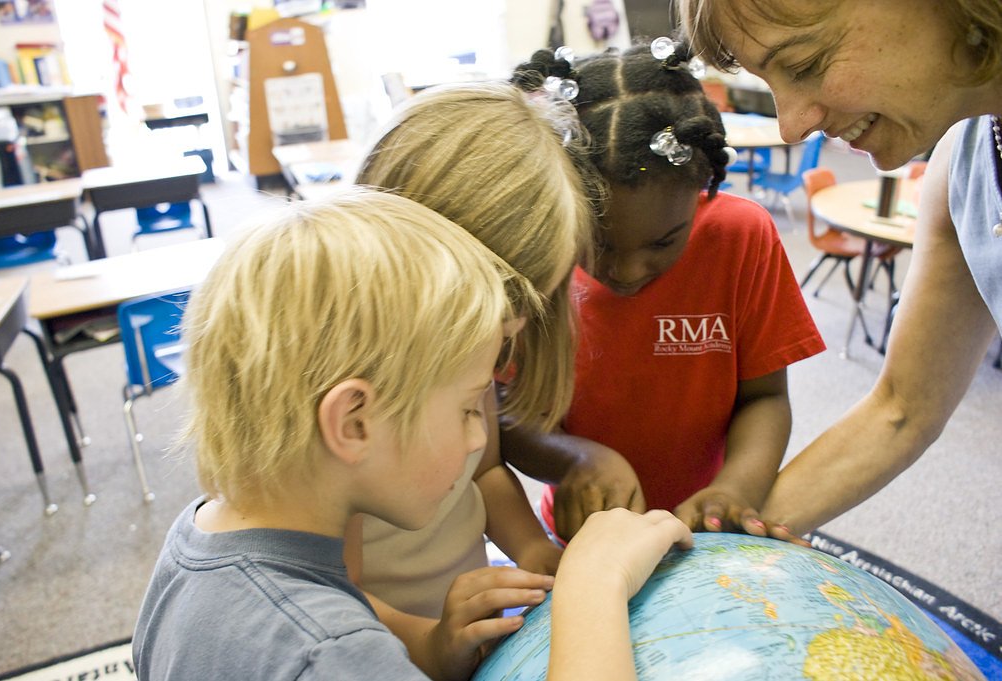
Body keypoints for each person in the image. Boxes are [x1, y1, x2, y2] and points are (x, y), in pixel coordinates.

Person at [131, 188, 693, 681]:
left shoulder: (198, 543)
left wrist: (429, 650)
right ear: (354, 423)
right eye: (468, 408)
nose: (479, 440)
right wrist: (593, 584)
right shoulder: (333, 656)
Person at [676, 0, 1002, 539]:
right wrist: (717, 544)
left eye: (805, 64)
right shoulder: (965, 161)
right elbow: (901, 409)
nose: (791, 126)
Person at [502, 40, 826, 542]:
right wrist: (575, 459)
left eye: (664, 242)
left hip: (711, 529)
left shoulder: (742, 237)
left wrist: (737, 487)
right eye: (599, 244)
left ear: (700, 192)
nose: (628, 271)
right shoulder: (537, 259)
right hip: (589, 531)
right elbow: (506, 415)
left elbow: (765, 398)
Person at [345, 80, 600, 672]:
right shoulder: (347, 416)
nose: (495, 366)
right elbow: (329, 600)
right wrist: (432, 642)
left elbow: (482, 472)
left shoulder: (461, 365)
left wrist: (534, 549)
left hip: (459, 636)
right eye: (500, 331)